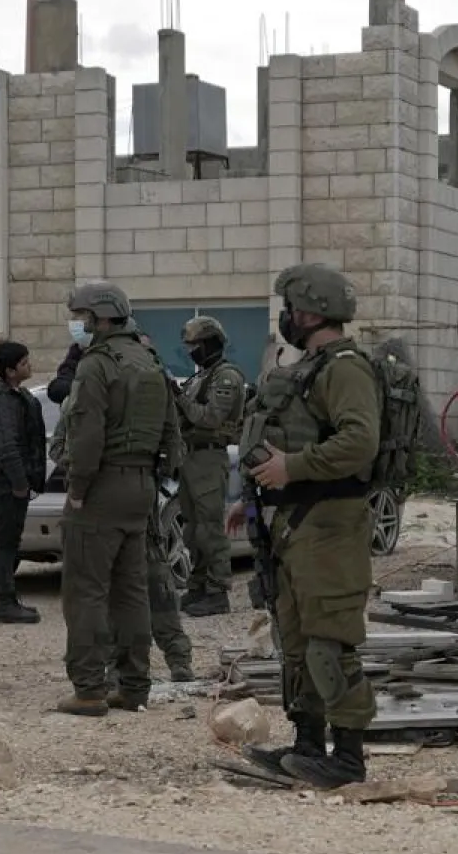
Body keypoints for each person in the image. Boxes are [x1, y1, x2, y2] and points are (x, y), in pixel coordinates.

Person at [226, 263, 380, 789]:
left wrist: (291, 467)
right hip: (296, 522)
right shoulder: (311, 368)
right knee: (295, 639)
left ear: (312, 310)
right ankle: (308, 744)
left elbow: (360, 442)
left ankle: (349, 759)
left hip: (331, 525)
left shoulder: (346, 369)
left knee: (329, 641)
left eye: (290, 310)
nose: (287, 319)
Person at [57, 282, 182, 716]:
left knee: (86, 590)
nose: (77, 323)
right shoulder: (149, 359)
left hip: (103, 487)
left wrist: (77, 488)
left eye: (81, 315)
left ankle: (89, 688)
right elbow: (171, 430)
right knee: (131, 592)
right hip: (141, 486)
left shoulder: (97, 364)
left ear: (100, 317)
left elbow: (87, 435)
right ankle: (133, 687)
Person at [172, 316, 247, 618]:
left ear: (211, 344)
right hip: (190, 457)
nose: (191, 351)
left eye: (195, 346)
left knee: (210, 528)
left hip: (209, 456)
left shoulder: (226, 376)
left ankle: (218, 591)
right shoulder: (201, 376)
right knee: (193, 529)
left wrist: (180, 399)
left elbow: (211, 418)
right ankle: (198, 586)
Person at [0, 342, 45, 624]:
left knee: (9, 540)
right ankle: (4, 602)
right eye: (24, 362)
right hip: (3, 483)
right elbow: (6, 446)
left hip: (9, 481)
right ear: (10, 370)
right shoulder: (3, 402)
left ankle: (7, 599)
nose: (30, 365)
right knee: (4, 542)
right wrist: (18, 482)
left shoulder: (18, 397)